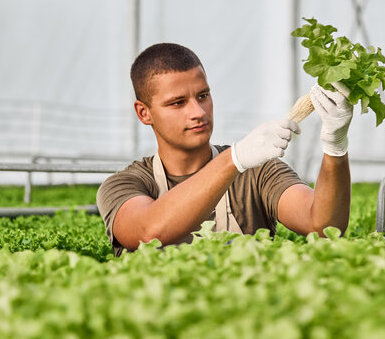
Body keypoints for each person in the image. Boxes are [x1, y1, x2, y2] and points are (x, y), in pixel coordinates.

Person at [97, 43, 352, 257]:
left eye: (203, 96)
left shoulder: (258, 172)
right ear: (144, 113)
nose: (198, 112)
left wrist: (335, 147)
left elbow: (323, 227)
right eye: (177, 103)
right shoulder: (124, 185)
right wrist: (234, 158)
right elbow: (147, 232)